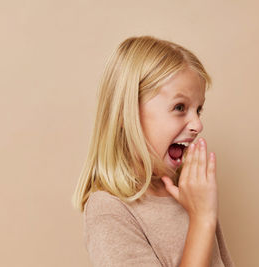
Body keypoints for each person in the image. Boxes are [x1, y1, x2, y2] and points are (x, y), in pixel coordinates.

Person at [71, 35, 235, 267]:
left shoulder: (190, 192)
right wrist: (202, 219)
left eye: (198, 110)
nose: (197, 125)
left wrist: (203, 214)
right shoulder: (109, 210)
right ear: (125, 115)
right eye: (180, 107)